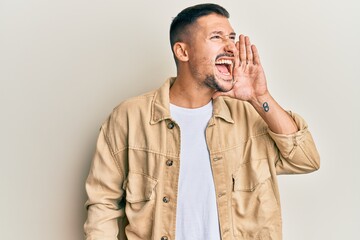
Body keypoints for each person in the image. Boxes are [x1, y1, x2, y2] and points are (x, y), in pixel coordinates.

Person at [84, 3, 320, 240]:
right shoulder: (130, 117)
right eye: (216, 37)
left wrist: (261, 98)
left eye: (232, 37)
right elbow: (102, 204)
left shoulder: (248, 116)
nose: (231, 47)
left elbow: (306, 160)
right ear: (182, 52)